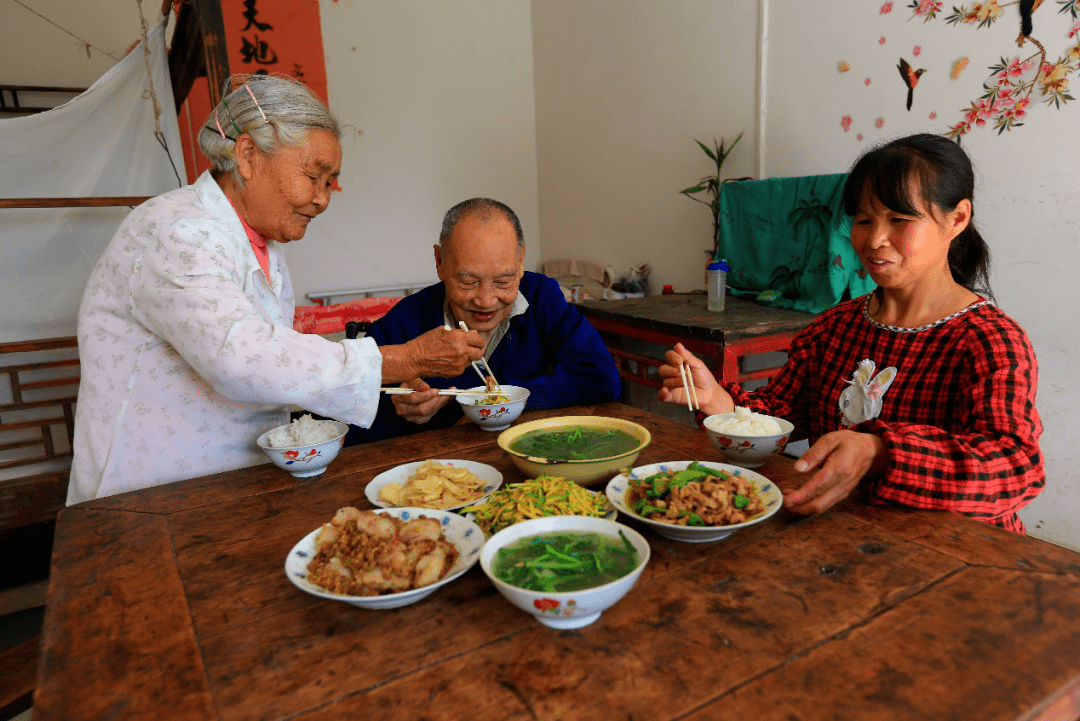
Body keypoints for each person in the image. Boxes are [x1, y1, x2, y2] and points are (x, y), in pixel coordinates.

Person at [69, 74, 483, 504]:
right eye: (313, 176)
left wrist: (390, 378)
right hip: (148, 489)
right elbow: (240, 357)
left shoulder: (262, 247)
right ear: (248, 156)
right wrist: (402, 359)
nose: (322, 200)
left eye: (330, 183)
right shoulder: (176, 231)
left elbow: (272, 360)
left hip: (226, 483)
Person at [657, 133, 1044, 533]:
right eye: (863, 219)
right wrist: (718, 401)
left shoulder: (988, 340)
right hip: (844, 536)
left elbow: (1016, 468)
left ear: (957, 219)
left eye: (899, 219)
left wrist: (882, 453)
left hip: (950, 556)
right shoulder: (835, 327)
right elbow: (777, 416)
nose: (874, 239)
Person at [346, 198, 622, 443]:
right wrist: (399, 408)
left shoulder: (540, 296)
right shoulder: (408, 319)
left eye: (504, 281)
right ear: (440, 261)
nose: (486, 300)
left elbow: (601, 377)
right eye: (468, 281)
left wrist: (497, 403)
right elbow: (350, 414)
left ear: (521, 258)